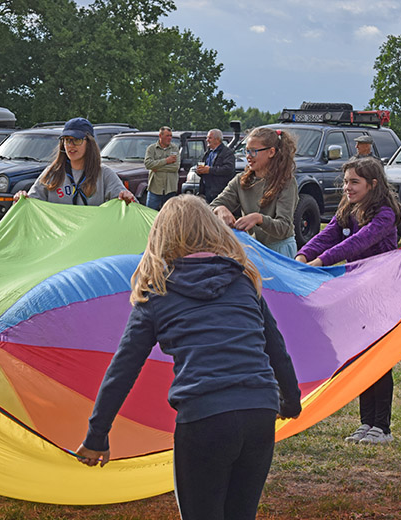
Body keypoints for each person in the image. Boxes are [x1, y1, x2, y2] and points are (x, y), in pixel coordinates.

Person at [75, 195, 301, 520]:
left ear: (160, 238)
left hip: (205, 418)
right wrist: (290, 402)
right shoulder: (242, 282)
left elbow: (122, 370)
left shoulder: (157, 293)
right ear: (213, 230)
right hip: (258, 412)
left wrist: (97, 435)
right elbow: (276, 349)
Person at [295, 157, 401, 445]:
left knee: (379, 358)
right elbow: (328, 234)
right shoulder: (349, 208)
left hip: (381, 295)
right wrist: (302, 256)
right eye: (345, 182)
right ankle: (366, 422)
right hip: (358, 295)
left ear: (373, 184)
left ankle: (382, 427)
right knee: (361, 356)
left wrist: (321, 262)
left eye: (354, 182)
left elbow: (358, 242)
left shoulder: (384, 214)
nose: (347, 187)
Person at [210, 127, 299, 257]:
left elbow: (284, 228)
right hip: (253, 250)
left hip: (279, 252)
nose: (248, 156)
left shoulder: (286, 182)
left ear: (271, 152)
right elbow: (210, 206)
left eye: (253, 151)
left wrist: (259, 219)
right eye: (246, 151)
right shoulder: (240, 180)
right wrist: (220, 209)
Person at [14, 117, 135, 205]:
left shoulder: (104, 174)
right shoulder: (52, 173)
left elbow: (130, 206)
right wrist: (21, 199)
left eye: (77, 140)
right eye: (67, 140)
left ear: (89, 143)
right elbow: (30, 204)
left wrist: (127, 199)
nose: (70, 145)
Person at [142, 126, 179, 210]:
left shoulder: (174, 148)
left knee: (170, 214)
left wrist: (156, 168)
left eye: (171, 136)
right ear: (160, 136)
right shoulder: (151, 148)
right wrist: (166, 161)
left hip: (170, 188)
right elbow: (148, 164)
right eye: (167, 136)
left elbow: (175, 167)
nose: (170, 138)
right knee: (150, 212)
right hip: (155, 188)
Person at [196, 128, 236, 203]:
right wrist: (199, 171)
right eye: (207, 138)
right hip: (206, 191)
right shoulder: (208, 153)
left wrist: (210, 170)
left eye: (209, 138)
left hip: (219, 192)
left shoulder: (227, 152)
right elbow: (202, 167)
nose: (207, 140)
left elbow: (229, 169)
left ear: (217, 139)